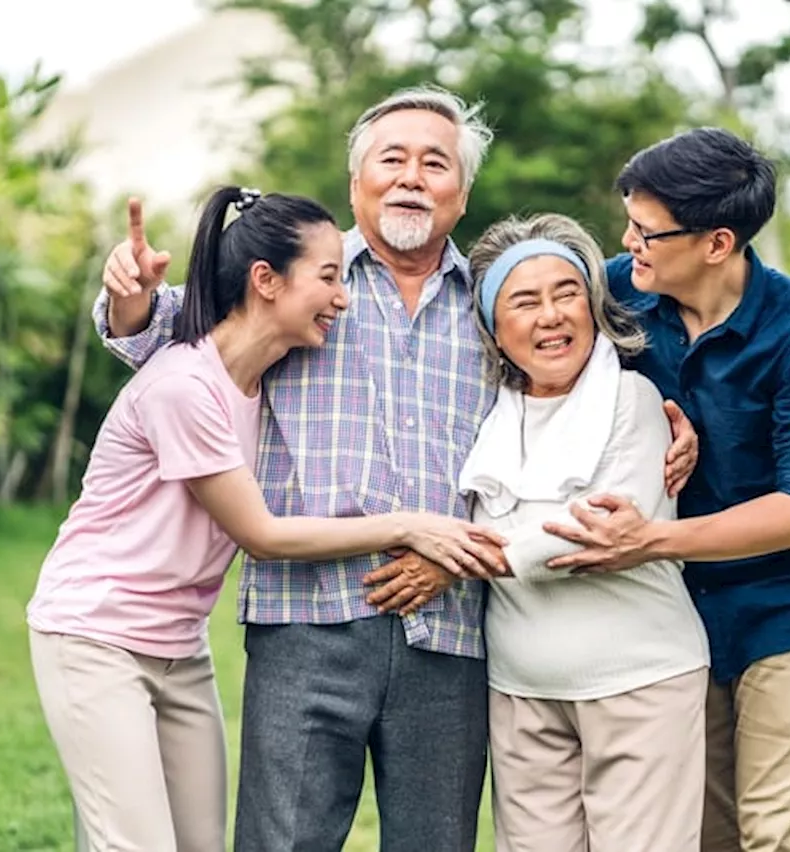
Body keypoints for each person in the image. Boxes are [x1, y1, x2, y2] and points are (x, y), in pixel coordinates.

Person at [92, 87, 700, 852]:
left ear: (462, 192)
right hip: (304, 619)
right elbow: (160, 340)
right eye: (393, 159)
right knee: (282, 841)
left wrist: (680, 422)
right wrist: (129, 304)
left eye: (435, 162)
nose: (413, 176)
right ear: (357, 184)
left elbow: (581, 377)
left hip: (450, 634)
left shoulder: (493, 305)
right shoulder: (296, 282)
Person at [27, 185, 507, 852]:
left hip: (178, 646)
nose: (343, 298)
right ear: (266, 281)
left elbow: (167, 313)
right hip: (97, 636)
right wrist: (407, 525)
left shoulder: (266, 374)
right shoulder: (183, 388)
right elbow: (262, 534)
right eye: (330, 277)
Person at [542, 128, 790, 852]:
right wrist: (657, 418)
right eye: (628, 222)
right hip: (681, 614)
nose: (628, 243)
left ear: (718, 243)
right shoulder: (624, 292)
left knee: (777, 834)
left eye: (648, 232)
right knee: (702, 833)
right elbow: (540, 359)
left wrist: (648, 541)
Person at [454, 213, 710, 851]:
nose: (551, 316)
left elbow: (586, 534)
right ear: (493, 327)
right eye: (525, 300)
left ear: (594, 307)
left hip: (640, 682)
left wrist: (452, 559)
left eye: (567, 294)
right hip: (521, 692)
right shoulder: (483, 416)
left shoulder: (633, 400)